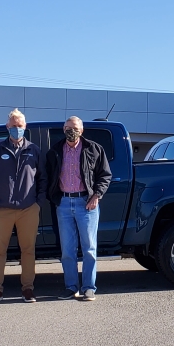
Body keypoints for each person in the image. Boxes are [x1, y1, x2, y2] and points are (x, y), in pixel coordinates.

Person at [0, 109, 46, 303]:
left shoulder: (34, 150)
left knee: (28, 250)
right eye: (13, 126)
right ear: (7, 127)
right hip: (1, 210)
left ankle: (28, 289)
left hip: (28, 209)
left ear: (25, 127)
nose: (16, 129)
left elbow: (42, 178)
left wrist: (38, 203)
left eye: (20, 126)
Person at [46, 116, 111, 301]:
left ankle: (89, 288)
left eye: (75, 128)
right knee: (67, 250)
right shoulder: (55, 151)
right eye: (68, 127)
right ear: (63, 129)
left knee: (89, 248)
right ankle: (71, 287)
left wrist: (96, 196)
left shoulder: (94, 149)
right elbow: (49, 177)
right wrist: (54, 198)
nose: (71, 131)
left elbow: (105, 175)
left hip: (86, 203)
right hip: (63, 204)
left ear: (81, 130)